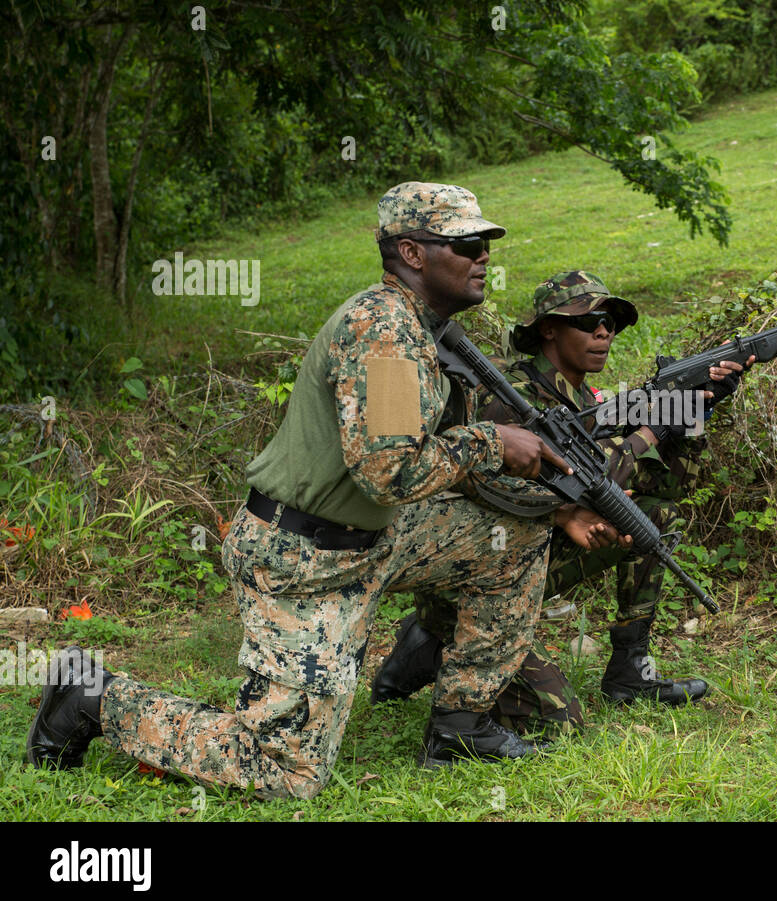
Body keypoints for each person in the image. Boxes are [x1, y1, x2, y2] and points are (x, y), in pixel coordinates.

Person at [26, 183, 629, 797]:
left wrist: (557, 505)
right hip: (303, 560)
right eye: (467, 243)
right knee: (288, 776)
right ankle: (91, 698)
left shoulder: (420, 329)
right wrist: (494, 443)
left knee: (518, 536)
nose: (483, 257)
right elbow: (391, 472)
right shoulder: (386, 333)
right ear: (412, 254)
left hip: (372, 537)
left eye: (484, 244)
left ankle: (461, 726)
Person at [371, 270, 752, 718]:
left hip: (531, 558)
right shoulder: (513, 397)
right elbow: (586, 475)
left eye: (610, 322)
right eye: (589, 322)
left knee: (654, 518)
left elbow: (663, 486)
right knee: (559, 716)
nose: (604, 332)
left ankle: (631, 671)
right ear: (548, 329)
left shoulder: (587, 399)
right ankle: (433, 643)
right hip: (483, 578)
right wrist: (653, 427)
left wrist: (695, 410)